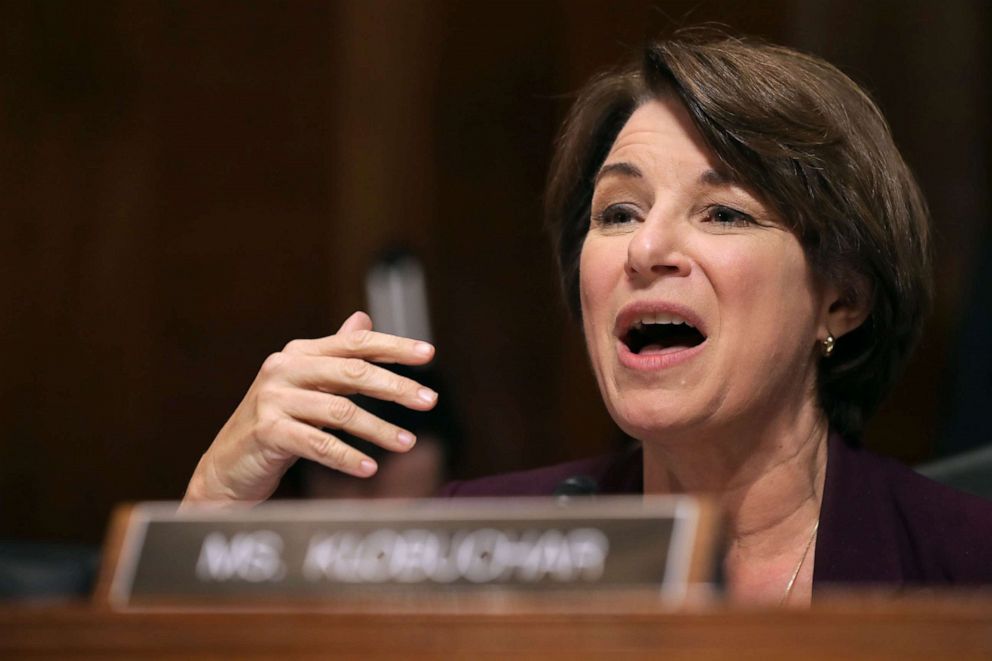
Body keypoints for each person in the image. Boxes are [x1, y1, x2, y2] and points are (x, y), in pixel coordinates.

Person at [182, 31, 992, 604]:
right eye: (618, 211)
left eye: (723, 214)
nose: (647, 249)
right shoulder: (472, 541)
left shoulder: (961, 563)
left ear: (841, 298)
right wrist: (214, 507)